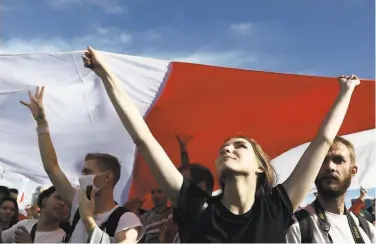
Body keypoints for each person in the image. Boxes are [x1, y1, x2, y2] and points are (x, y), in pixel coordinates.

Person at [82, 46, 360, 242]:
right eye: (223, 149)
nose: (227, 149)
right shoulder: (194, 204)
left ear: (260, 167)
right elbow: (143, 137)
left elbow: (323, 140)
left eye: (240, 146)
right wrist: (107, 76)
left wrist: (346, 92)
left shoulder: (277, 207)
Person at [20, 90, 144, 243]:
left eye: (88, 172)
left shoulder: (126, 220)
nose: (82, 177)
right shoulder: (78, 205)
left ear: (107, 177)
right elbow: (52, 167)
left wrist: (88, 220)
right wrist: (41, 124)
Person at [286, 137, 376, 243]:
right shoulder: (295, 226)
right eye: (323, 160)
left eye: (339, 160)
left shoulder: (367, 230)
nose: (330, 166)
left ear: (353, 170)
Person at [0, 186, 68, 243]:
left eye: (67, 202)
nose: (62, 203)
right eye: (59, 198)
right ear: (44, 200)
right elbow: (3, 237)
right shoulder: (25, 224)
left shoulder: (63, 240)